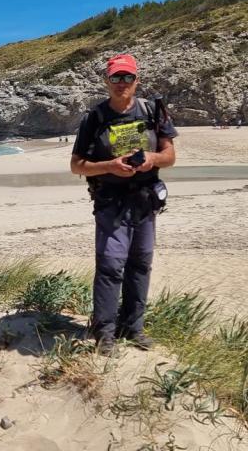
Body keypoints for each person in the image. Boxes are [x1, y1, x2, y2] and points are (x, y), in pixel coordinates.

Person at [70, 54, 178, 355]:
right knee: (110, 265)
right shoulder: (94, 118)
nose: (121, 83)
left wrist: (151, 161)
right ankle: (104, 333)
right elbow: (77, 165)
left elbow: (170, 156)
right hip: (110, 203)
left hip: (145, 201)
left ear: (136, 80)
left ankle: (133, 328)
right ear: (107, 81)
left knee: (140, 264)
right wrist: (110, 165)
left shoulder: (152, 111)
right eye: (116, 78)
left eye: (127, 77)